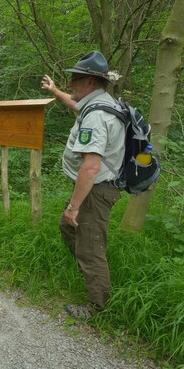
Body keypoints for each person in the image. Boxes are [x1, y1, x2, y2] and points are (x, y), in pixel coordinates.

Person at [41, 51, 125, 319]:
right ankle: (89, 271)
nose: (71, 84)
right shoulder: (99, 103)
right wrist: (55, 91)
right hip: (96, 187)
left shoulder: (96, 116)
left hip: (96, 190)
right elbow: (74, 103)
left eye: (75, 79)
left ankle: (98, 308)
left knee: (90, 248)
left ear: (89, 82)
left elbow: (90, 166)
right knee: (67, 227)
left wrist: (74, 206)